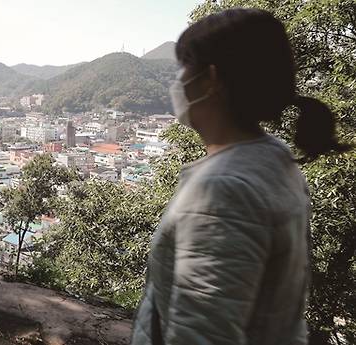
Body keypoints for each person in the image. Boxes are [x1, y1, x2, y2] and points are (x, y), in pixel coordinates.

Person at [131, 8, 351, 345]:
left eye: (185, 68)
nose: (178, 82)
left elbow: (202, 334)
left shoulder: (222, 191)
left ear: (212, 79)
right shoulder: (274, 160)